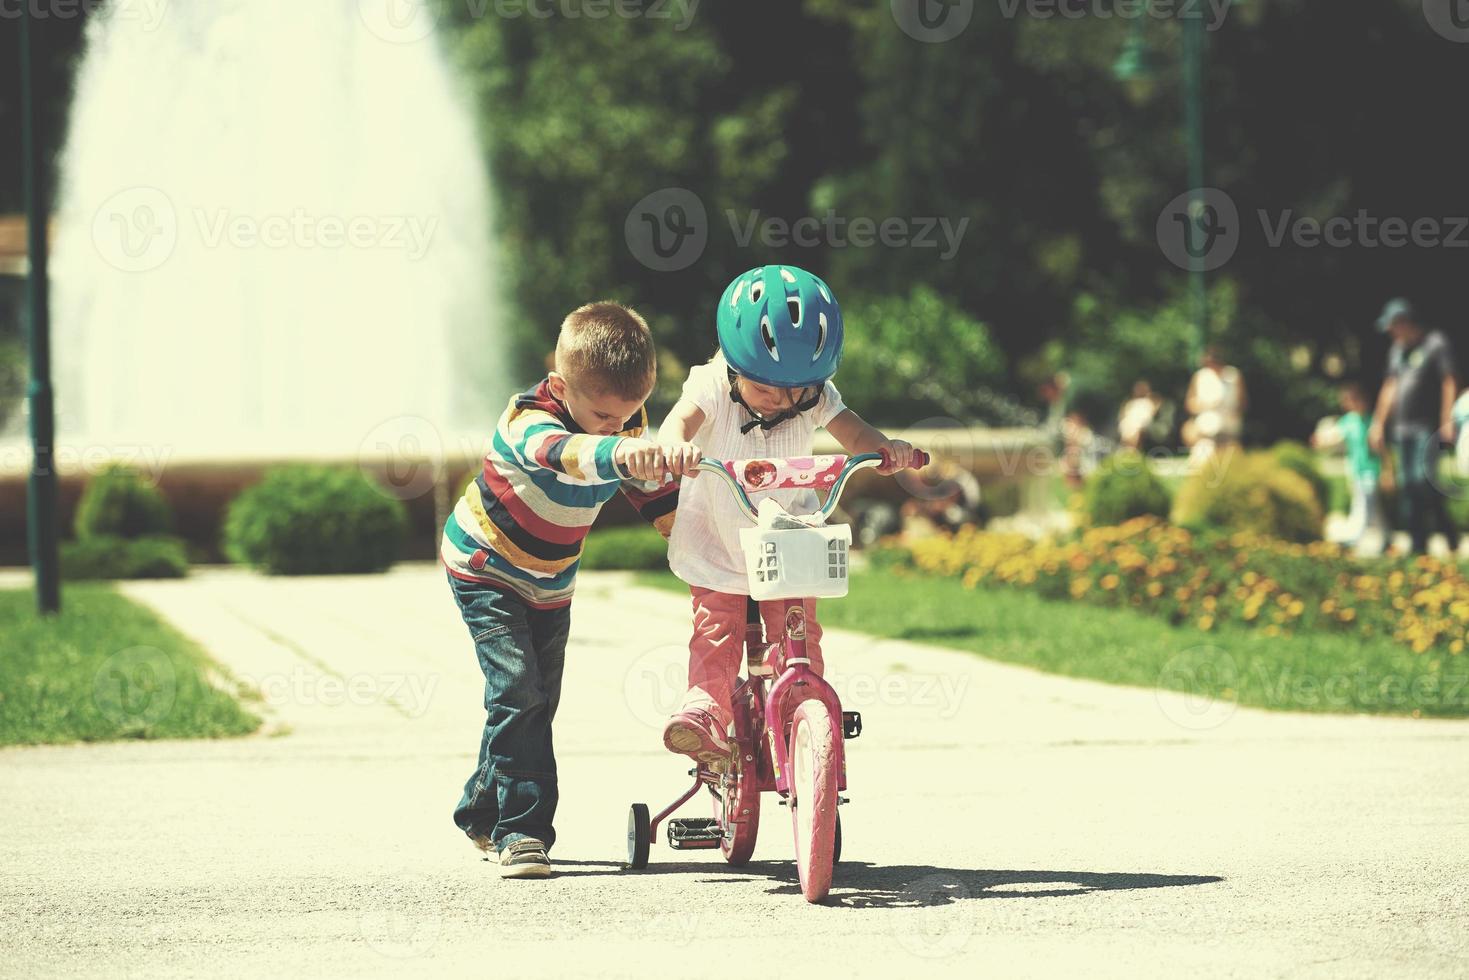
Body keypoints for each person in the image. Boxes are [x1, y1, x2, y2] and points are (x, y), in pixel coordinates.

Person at [440, 301, 685, 878]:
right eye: (602, 414)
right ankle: (522, 832)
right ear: (560, 385)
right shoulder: (528, 422)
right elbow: (571, 456)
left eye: (627, 416)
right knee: (519, 690)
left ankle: (479, 810)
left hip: (550, 581)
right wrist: (620, 450)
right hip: (486, 567)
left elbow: (646, 488)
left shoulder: (622, 425)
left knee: (531, 699)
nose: (615, 425)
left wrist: (689, 543)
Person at [654, 265, 915, 768]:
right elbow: (679, 422)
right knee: (717, 629)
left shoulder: (812, 394)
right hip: (718, 538)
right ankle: (705, 712)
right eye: (769, 390)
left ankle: (801, 708)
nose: (785, 402)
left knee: (797, 629)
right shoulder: (711, 384)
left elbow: (854, 433)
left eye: (800, 392)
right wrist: (673, 445)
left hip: (786, 539)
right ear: (733, 365)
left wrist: (884, 450)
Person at [1368, 298, 1459, 555]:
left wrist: (1446, 420)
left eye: (1391, 326)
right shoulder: (1397, 350)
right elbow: (1390, 387)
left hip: (1426, 426)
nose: (1389, 332)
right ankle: (1422, 543)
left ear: (1404, 323)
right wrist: (1377, 424)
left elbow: (1448, 381)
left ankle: (1437, 532)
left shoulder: (1435, 344)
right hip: (1401, 429)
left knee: (1421, 480)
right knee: (1409, 484)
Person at [1312, 382, 1385, 553]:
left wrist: (1387, 471)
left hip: (1371, 470)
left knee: (1363, 504)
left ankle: (1354, 537)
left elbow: (1381, 449)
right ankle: (1386, 536)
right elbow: (1334, 435)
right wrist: (1320, 440)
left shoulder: (1371, 422)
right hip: (1356, 470)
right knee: (1374, 508)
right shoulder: (1349, 421)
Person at [1183, 346, 1247, 464]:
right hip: (1207, 432)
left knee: (1230, 464)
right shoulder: (1200, 376)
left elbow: (1242, 402)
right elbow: (1190, 404)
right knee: (1202, 463)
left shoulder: (1234, 375)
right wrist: (1205, 406)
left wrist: (1233, 412)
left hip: (1229, 430)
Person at [1118, 380, 1161, 451]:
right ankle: (1128, 449)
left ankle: (1132, 449)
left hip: (1141, 425)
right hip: (1129, 423)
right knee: (1128, 431)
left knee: (1136, 431)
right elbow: (1123, 414)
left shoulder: (1148, 402)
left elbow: (1155, 409)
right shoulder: (1131, 402)